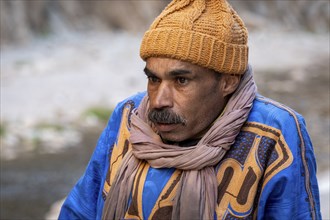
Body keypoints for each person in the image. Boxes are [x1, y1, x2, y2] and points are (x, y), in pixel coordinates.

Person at [59, 0, 322, 219]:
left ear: (228, 81)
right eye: (153, 79)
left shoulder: (274, 133)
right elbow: (80, 210)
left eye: (181, 81)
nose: (159, 100)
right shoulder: (128, 116)